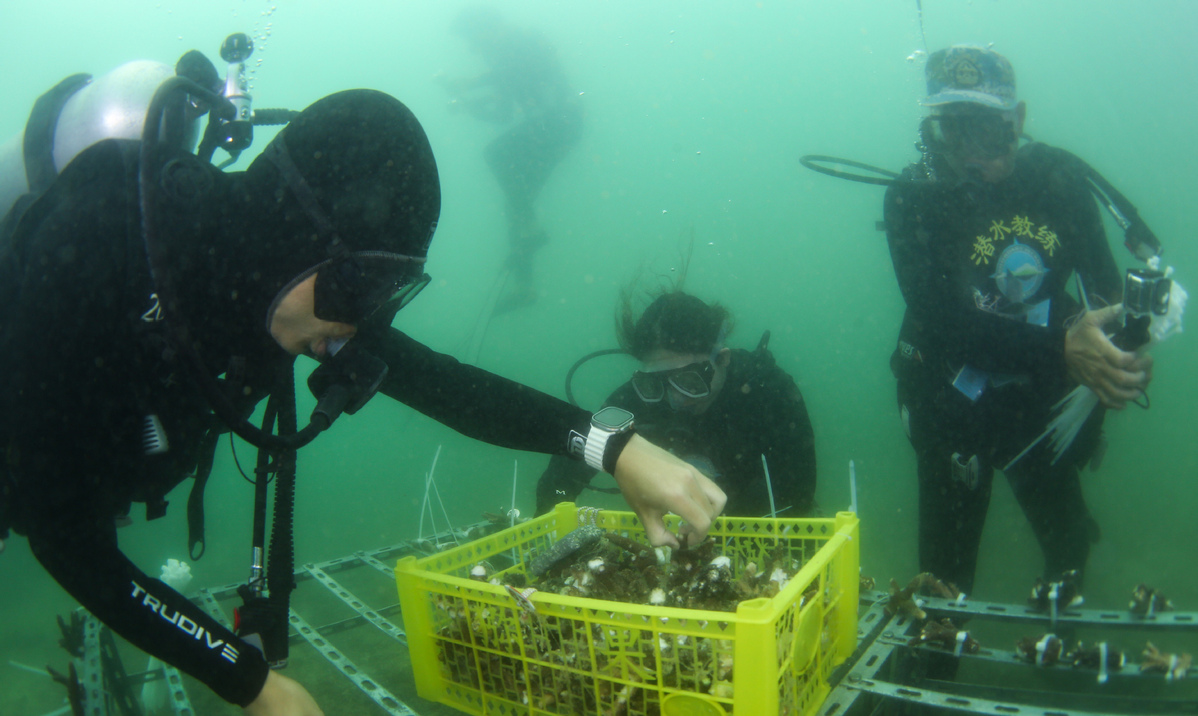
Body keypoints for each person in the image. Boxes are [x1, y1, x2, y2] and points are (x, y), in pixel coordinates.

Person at [0, 89, 723, 715]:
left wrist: (615, 448)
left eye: (381, 293)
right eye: (354, 287)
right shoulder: (98, 248)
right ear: (294, 233)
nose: (354, 322)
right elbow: (65, 537)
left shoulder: (292, 289)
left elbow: (444, 384)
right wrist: (249, 681)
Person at [884, 46, 1153, 596]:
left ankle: (1061, 652)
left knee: (1069, 549)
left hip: (1041, 403)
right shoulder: (914, 199)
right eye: (951, 131)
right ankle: (937, 663)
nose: (969, 153)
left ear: (1019, 119)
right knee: (943, 581)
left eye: (988, 130)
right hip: (949, 403)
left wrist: (1116, 361)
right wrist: (1065, 347)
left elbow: (1103, 294)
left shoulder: (1058, 182)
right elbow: (944, 325)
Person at [536, 290, 817, 519]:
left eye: (689, 380)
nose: (676, 398)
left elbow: (798, 494)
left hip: (764, 533)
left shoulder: (769, 391)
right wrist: (550, 516)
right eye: (656, 382)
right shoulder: (636, 397)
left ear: (723, 359)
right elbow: (566, 468)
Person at [439, 7, 584, 313]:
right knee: (516, 199)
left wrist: (474, 83)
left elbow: (518, 68)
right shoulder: (502, 56)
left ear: (490, 28)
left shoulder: (522, 42)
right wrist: (468, 105)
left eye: (473, 38)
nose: (472, 48)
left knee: (498, 160)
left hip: (561, 121)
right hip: (552, 128)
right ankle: (525, 284)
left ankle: (530, 233)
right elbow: (504, 113)